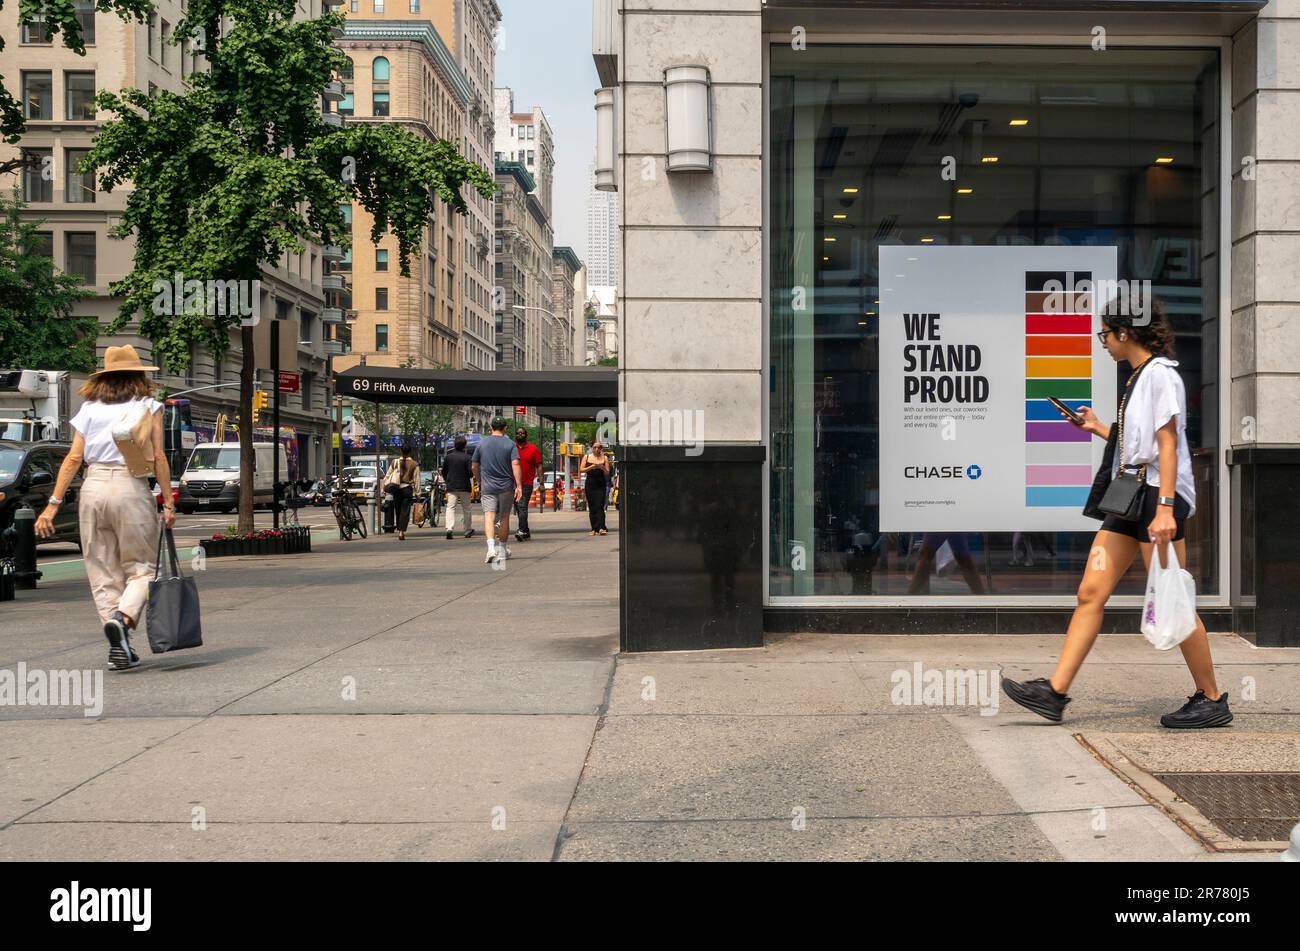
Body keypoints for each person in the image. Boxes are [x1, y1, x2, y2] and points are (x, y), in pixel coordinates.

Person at [1002, 299, 1229, 729]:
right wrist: (1100, 428)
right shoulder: (1140, 377)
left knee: (1171, 599)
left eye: (1104, 334)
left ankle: (1212, 698)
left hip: (1155, 498)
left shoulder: (1160, 374)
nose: (1102, 342)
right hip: (1131, 492)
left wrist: (1164, 510)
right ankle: (1054, 693)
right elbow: (1140, 444)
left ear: (1125, 333)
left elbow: (1166, 444)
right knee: (1091, 591)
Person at [34, 346, 174, 671]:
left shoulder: (90, 408)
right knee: (144, 569)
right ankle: (123, 622)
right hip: (130, 486)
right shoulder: (149, 406)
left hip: (92, 488)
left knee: (102, 570)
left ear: (105, 378)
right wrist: (167, 501)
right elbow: (159, 457)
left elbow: (73, 458)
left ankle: (119, 646)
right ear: (138, 376)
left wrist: (52, 506)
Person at [471, 419, 522, 565]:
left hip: (488, 487)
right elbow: (516, 464)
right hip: (506, 487)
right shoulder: (510, 444)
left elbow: (474, 466)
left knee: (489, 516)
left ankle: (491, 549)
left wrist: (479, 480)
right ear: (505, 428)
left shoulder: (482, 443)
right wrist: (518, 485)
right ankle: (502, 550)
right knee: (504, 517)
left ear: (491, 427)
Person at [381, 445, 420, 540]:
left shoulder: (394, 462)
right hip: (407, 489)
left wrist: (383, 488)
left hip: (396, 489)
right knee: (405, 512)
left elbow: (387, 476)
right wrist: (418, 493)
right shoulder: (414, 464)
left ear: (400, 451)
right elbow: (417, 480)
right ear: (410, 452)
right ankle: (402, 531)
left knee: (398, 511)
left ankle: (399, 530)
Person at [440, 436, 475, 540]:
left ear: (454, 445)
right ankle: (467, 530)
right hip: (464, 486)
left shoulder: (448, 457)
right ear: (464, 446)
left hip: (452, 486)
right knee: (467, 508)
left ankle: (449, 529)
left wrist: (448, 480)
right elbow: (470, 473)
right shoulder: (467, 457)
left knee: (451, 507)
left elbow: (443, 471)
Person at [512, 426, 543, 541]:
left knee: (522, 507)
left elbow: (539, 466)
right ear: (515, 435)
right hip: (512, 484)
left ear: (526, 435)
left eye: (522, 433)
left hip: (526, 484)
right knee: (519, 508)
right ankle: (526, 531)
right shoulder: (511, 448)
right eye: (518, 433)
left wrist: (541, 482)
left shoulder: (533, 449)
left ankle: (521, 530)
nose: (520, 434)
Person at [580, 441, 612, 535]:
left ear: (601, 449)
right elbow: (581, 469)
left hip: (600, 485)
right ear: (592, 448)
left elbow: (607, 472)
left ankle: (602, 528)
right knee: (592, 506)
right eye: (594, 447)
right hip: (590, 484)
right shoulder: (587, 457)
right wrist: (592, 467)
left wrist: (602, 468)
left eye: (598, 448)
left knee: (600, 506)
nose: (596, 449)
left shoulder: (604, 458)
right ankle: (593, 528)